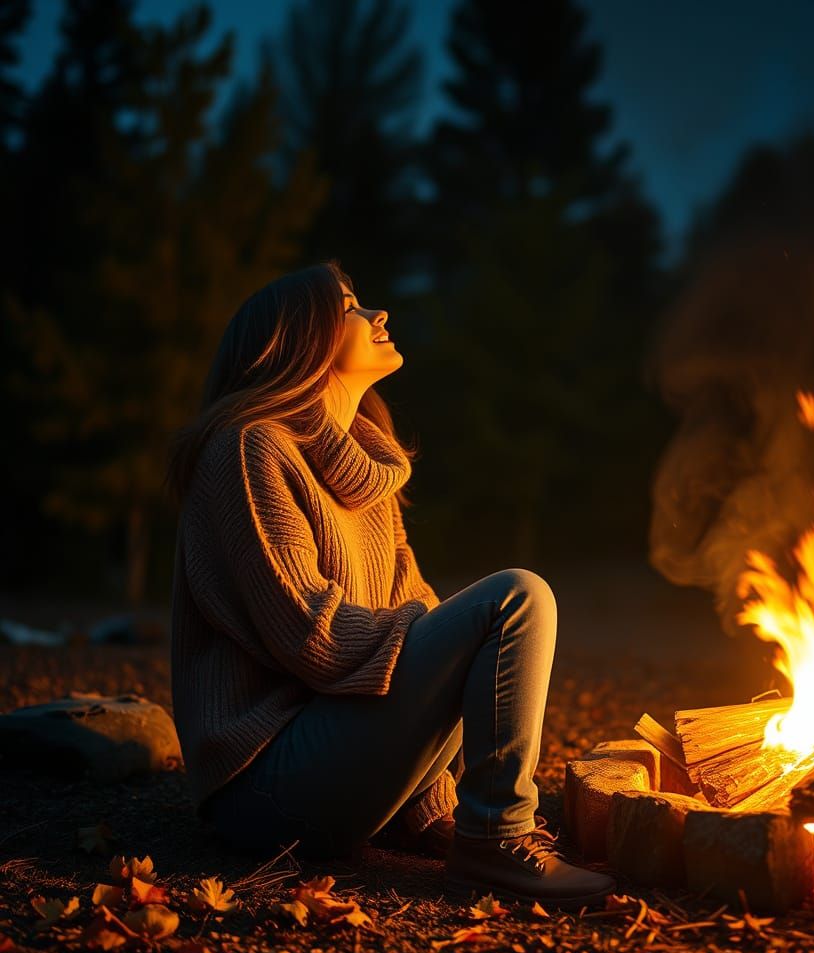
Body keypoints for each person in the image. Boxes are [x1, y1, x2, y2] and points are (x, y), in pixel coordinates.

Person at [165, 260, 617, 910]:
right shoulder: (248, 449)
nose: (378, 314)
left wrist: (429, 809)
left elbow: (415, 616)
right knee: (516, 599)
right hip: (261, 786)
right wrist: (444, 644)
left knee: (487, 615)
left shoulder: (366, 473)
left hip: (331, 762)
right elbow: (310, 635)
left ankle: (480, 830)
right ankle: (496, 840)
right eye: (350, 306)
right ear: (297, 338)